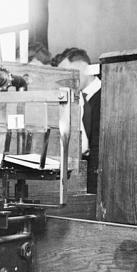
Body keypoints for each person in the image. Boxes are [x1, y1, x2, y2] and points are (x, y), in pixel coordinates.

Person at [52, 47, 101, 194]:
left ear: (85, 68)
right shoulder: (75, 100)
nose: (66, 80)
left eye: (68, 72)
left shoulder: (107, 95)